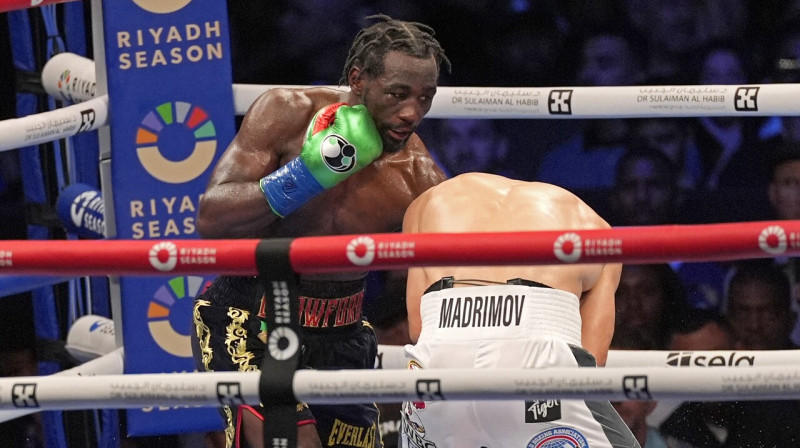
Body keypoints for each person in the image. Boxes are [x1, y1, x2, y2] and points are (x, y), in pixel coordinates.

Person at [191, 15, 449, 448]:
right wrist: (307, 176)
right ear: (358, 80)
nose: (412, 113)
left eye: (425, 98)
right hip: (250, 316)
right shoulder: (286, 112)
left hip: (343, 336)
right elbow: (212, 219)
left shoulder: (418, 177)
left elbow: (452, 266)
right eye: (398, 95)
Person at [400, 172, 638, 447]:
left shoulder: (428, 202)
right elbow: (591, 363)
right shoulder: (596, 229)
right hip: (536, 365)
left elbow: (418, 327)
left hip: (438, 362)